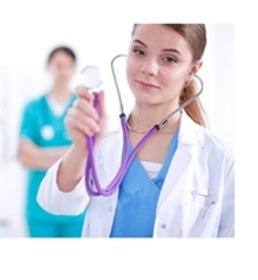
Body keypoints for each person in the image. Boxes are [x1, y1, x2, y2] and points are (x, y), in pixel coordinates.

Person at [39, 24, 233, 237]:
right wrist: (82, 148)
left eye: (169, 59)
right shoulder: (103, 140)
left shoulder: (220, 157)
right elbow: (55, 203)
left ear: (192, 70)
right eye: (139, 52)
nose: (149, 68)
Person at [18, 47, 86, 238]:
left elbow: (90, 154)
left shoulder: (84, 107)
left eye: (67, 66)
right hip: (38, 207)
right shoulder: (33, 108)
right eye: (58, 65)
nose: (62, 71)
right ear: (49, 68)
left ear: (74, 69)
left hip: (75, 206)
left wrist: (39, 155)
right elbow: (25, 157)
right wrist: (74, 153)